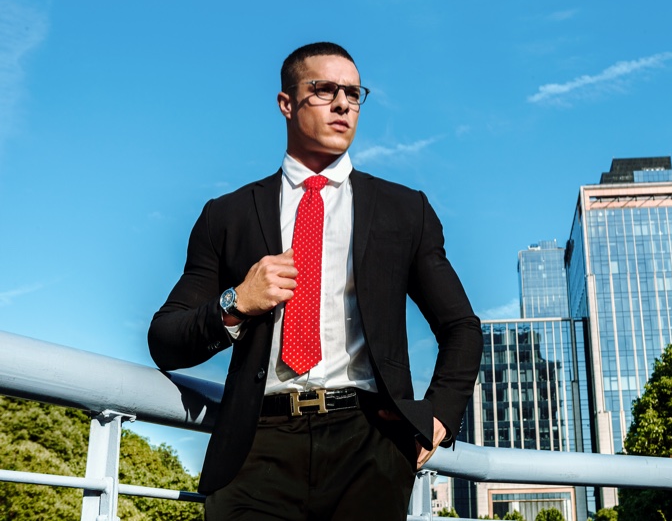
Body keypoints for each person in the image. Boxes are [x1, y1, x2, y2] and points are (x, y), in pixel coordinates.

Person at [148, 41, 482, 521]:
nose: (343, 103)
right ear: (287, 103)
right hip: (256, 444)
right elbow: (165, 340)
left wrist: (438, 416)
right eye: (324, 90)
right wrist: (236, 303)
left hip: (370, 444)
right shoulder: (228, 215)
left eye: (353, 92)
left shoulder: (405, 210)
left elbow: (460, 326)